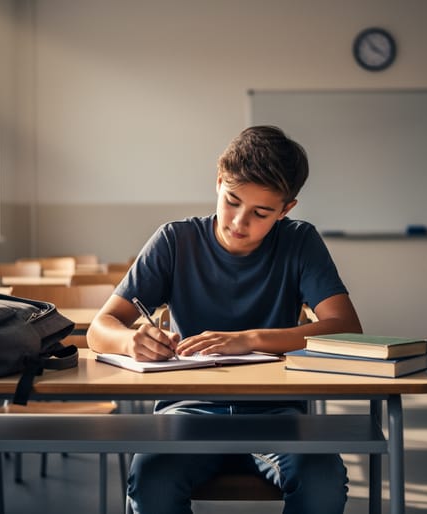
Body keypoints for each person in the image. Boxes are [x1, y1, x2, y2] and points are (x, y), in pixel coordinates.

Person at [86, 125, 363, 514]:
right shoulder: (175, 240)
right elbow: (100, 328)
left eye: (261, 213)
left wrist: (250, 339)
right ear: (219, 181)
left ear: (286, 210)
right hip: (188, 410)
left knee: (321, 480)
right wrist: (130, 341)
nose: (238, 222)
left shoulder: (300, 241)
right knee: (151, 482)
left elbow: (346, 329)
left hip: (276, 413)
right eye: (232, 201)